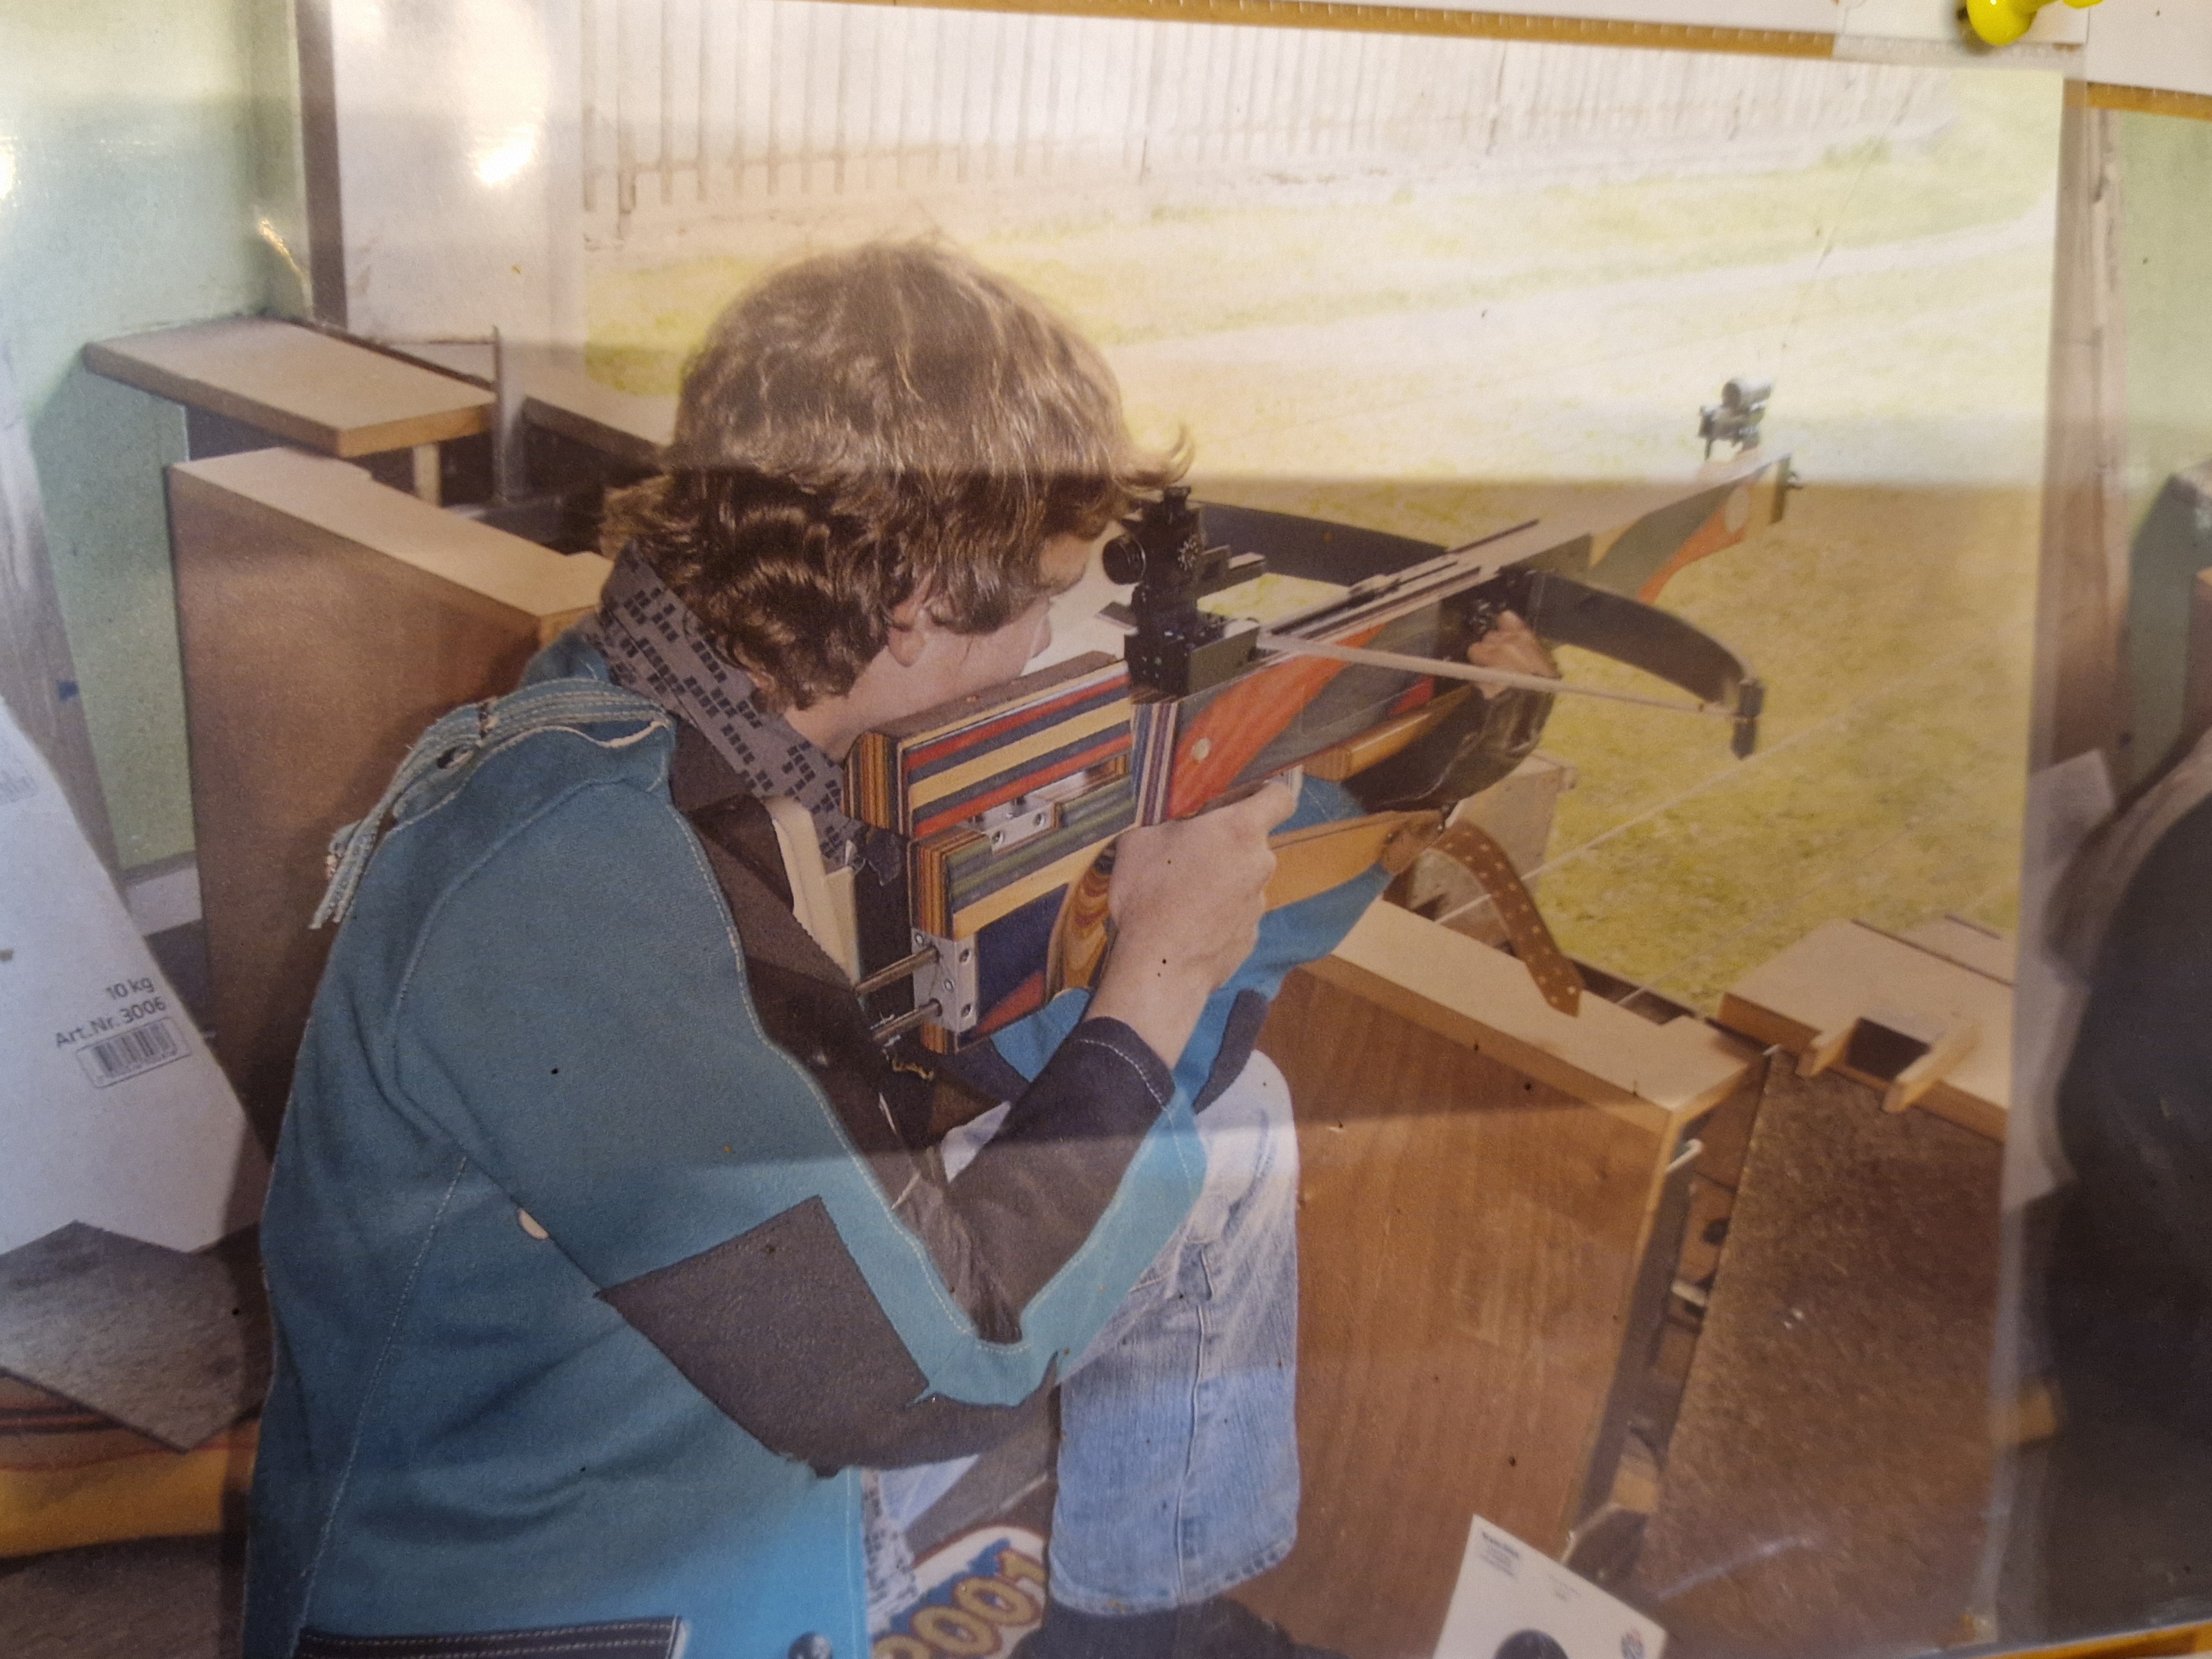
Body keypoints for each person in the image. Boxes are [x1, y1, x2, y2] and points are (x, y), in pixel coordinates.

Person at [244, 242, 1408, 1659]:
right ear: (912, 594)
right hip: (572, 1599)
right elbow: (939, 1375)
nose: (1046, 644)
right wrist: (1155, 981)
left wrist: (1330, 820)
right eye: (1041, 597)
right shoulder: (571, 889)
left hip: (693, 1441)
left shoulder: (687, 728)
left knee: (1230, 1121)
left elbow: (939, 1035)